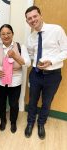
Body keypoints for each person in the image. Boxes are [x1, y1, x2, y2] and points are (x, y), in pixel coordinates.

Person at [24, 6, 67, 140]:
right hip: (36, 74)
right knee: (32, 102)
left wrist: (52, 61)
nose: (33, 20)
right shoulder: (30, 37)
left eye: (35, 16)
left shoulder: (56, 30)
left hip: (53, 75)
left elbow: (65, 50)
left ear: (40, 16)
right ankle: (30, 123)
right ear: (27, 22)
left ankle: (41, 123)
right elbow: (31, 54)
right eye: (29, 18)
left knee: (47, 102)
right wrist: (34, 62)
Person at [0, 24, 31, 133]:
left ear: (12, 34)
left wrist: (15, 56)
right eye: (3, 34)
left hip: (15, 82)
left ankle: (13, 122)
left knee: (14, 104)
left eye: (8, 33)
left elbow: (27, 63)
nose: (6, 36)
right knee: (1, 102)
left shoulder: (20, 47)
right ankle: (3, 120)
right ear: (0, 36)